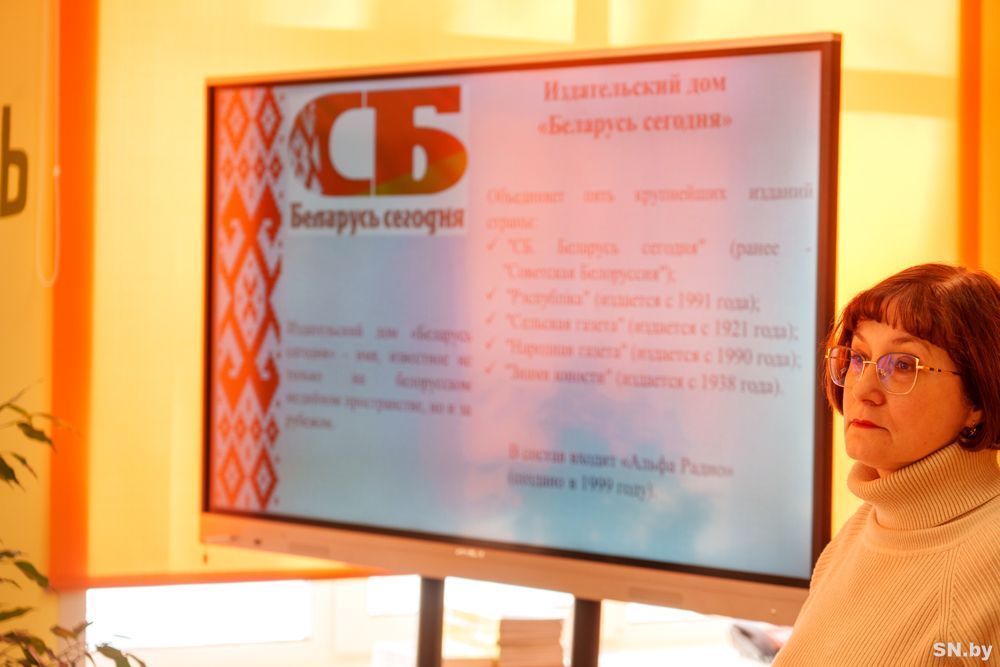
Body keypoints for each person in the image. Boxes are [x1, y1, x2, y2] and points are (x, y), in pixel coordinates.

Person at [772, 263, 1000, 666]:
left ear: (978, 400)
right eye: (859, 358)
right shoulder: (864, 525)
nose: (863, 389)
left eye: (904, 365)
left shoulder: (990, 565)